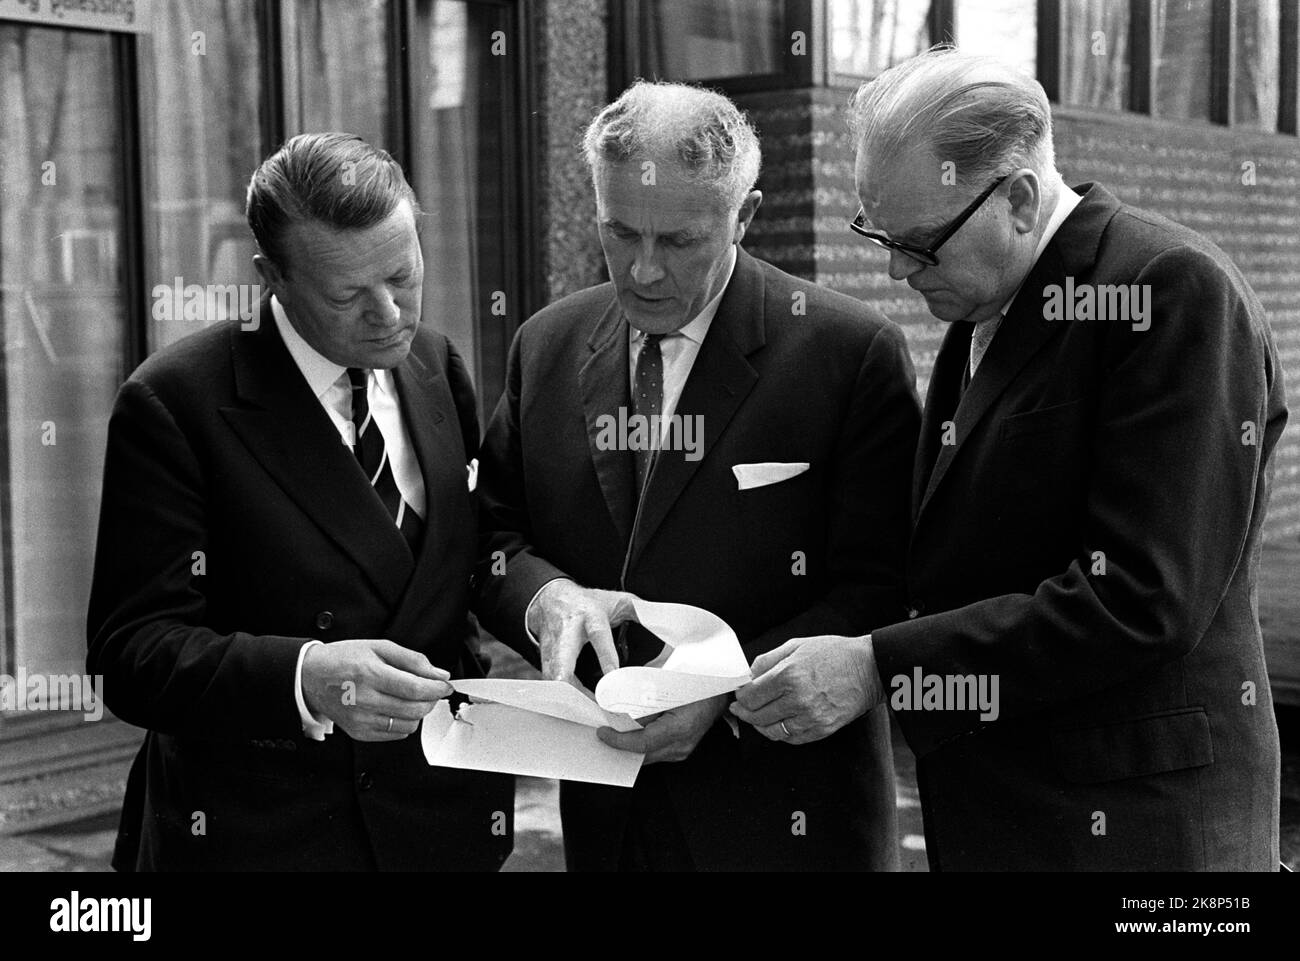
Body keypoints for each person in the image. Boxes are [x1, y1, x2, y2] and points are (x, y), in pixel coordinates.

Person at [733, 49, 1286, 871]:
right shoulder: (988, 303)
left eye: (918, 244)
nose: (893, 269)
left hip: (1137, 830)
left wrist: (882, 664)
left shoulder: (1170, 291)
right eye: (876, 236)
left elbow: (1142, 598)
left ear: (1020, 198)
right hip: (1014, 816)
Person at [473, 81, 920, 871]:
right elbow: (493, 540)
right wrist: (547, 598)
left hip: (792, 823)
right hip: (610, 824)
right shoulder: (543, 346)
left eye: (678, 241)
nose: (643, 270)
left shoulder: (849, 355)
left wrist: (723, 692)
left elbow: (882, 584)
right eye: (619, 233)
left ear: (744, 216)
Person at [87, 132, 512, 871]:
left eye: (404, 275)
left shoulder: (438, 364)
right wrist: (304, 675)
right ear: (272, 276)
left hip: (435, 822)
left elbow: (464, 571)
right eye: (347, 294)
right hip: (260, 837)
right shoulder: (177, 401)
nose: (388, 314)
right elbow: (132, 652)